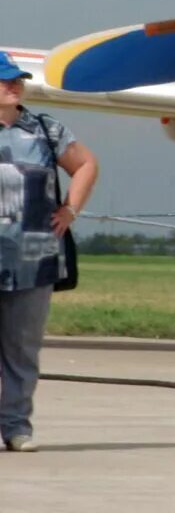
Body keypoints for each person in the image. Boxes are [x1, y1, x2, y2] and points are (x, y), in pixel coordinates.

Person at [0, 51, 100, 453]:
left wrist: (70, 210)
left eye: (17, 80)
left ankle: (16, 427)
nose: (14, 85)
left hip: (33, 259)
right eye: (6, 80)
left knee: (22, 348)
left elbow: (86, 164)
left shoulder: (44, 128)